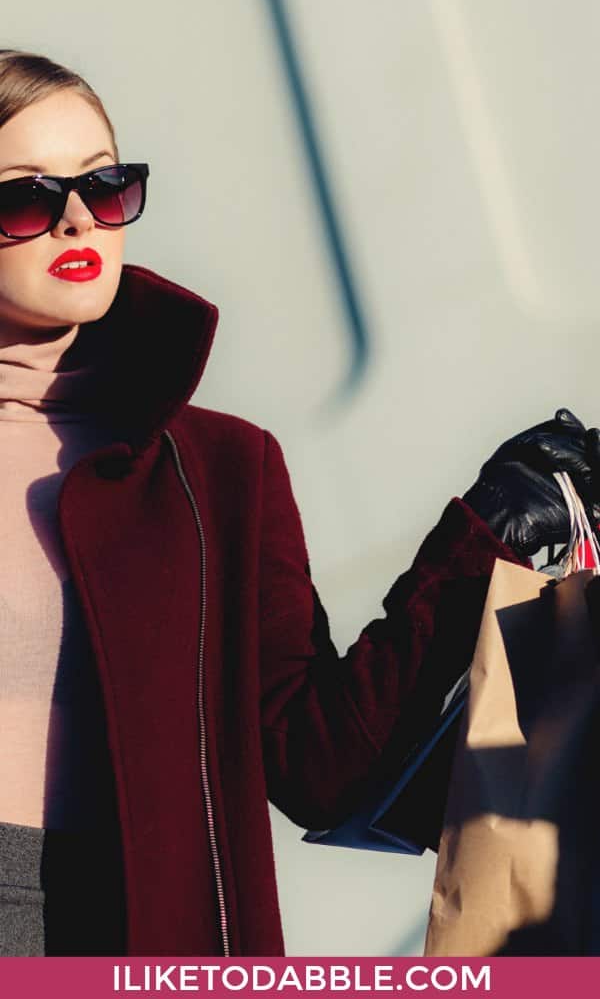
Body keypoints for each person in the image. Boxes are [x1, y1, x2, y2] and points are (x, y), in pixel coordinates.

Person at [0, 47, 598, 958]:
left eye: (106, 187)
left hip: (146, 942)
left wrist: (485, 533)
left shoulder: (221, 470)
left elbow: (320, 767)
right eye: (27, 199)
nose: (79, 221)